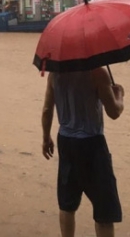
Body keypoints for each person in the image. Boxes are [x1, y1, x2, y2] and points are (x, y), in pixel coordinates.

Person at [41, 68, 125, 237]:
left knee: (67, 204)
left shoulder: (54, 75)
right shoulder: (98, 73)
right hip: (92, 144)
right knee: (105, 209)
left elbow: (47, 110)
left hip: (65, 141)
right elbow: (114, 112)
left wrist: (46, 137)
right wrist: (120, 95)